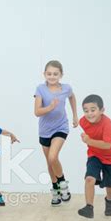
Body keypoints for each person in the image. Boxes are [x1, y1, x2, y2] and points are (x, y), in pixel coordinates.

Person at [34, 60, 78, 206]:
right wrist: (50, 107)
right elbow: (37, 112)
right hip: (45, 130)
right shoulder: (40, 89)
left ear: (61, 75)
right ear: (44, 74)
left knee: (53, 157)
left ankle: (63, 184)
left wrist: (75, 115)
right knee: (49, 162)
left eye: (55, 74)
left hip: (61, 127)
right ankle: (55, 190)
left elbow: (72, 97)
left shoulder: (66, 88)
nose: (52, 76)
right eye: (49, 74)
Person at [78, 94, 111, 219]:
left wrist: (88, 141)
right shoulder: (83, 121)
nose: (89, 114)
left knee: (110, 184)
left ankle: (109, 200)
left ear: (102, 110)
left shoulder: (107, 123)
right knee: (89, 179)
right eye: (86, 111)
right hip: (94, 155)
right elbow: (83, 125)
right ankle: (89, 207)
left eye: (93, 110)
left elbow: (107, 144)